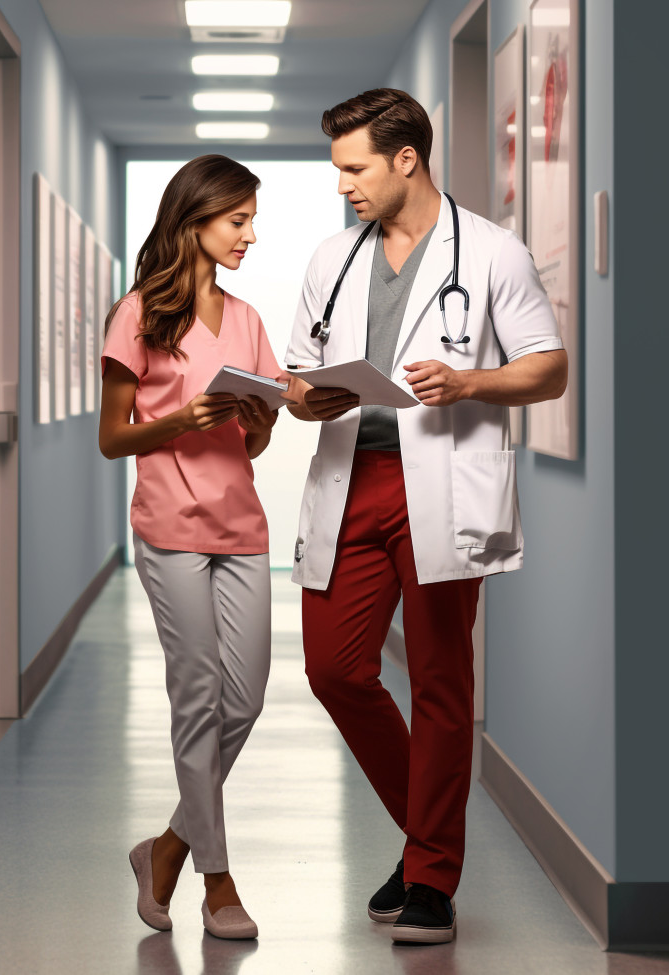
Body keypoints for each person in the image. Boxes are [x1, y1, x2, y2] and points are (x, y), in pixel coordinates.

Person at [282, 89, 567, 945]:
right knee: (335, 667)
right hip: (353, 476)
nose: (345, 187)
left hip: (440, 481)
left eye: (355, 167)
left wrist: (469, 381)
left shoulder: (491, 253)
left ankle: (431, 878)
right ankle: (425, 840)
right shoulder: (333, 257)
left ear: (406, 158)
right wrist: (304, 394)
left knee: (442, 680)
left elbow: (548, 369)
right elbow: (301, 386)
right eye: (338, 170)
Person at [99, 155, 282, 941]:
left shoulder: (245, 319)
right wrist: (185, 419)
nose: (250, 234)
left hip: (241, 527)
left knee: (243, 698)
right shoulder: (136, 314)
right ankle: (217, 879)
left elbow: (260, 437)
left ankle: (167, 846)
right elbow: (112, 439)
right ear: (195, 220)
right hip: (170, 528)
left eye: (251, 219)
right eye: (237, 219)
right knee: (198, 696)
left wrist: (261, 416)